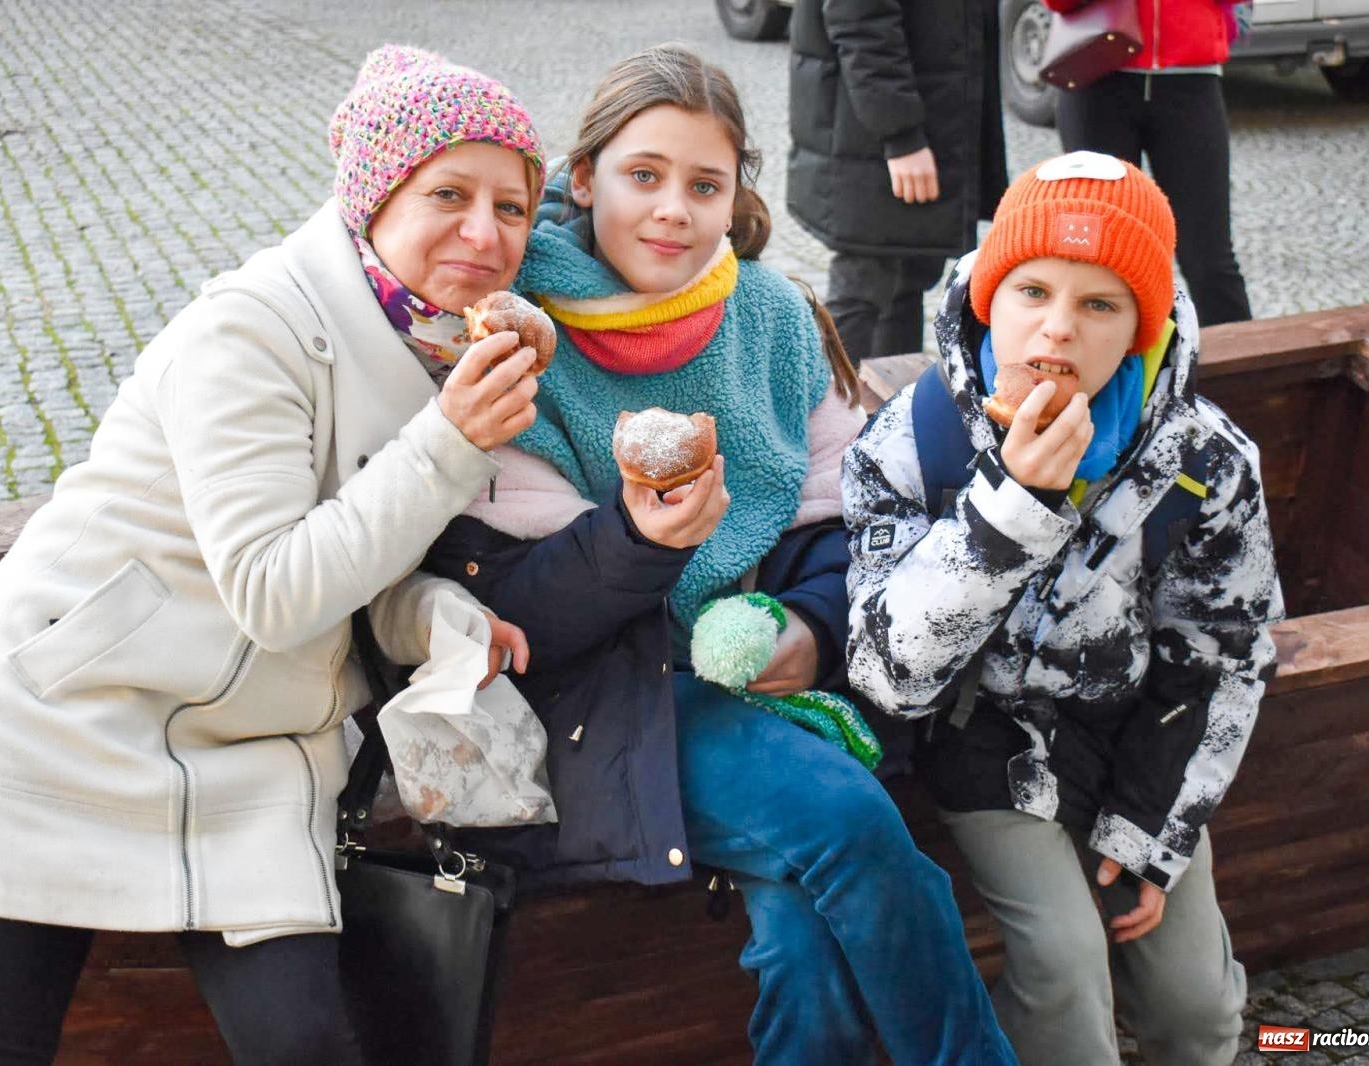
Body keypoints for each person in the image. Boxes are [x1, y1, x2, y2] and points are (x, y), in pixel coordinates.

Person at [0, 44, 545, 1064]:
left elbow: (354, 551)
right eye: (449, 193)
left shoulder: (440, 346)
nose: (484, 230)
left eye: (512, 207)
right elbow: (276, 591)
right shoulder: (250, 329)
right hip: (72, 714)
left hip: (254, 754)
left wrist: (431, 618)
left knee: (305, 1046)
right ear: (373, 198)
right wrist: (450, 446)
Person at [421, 43, 1017, 1066]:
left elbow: (849, 520)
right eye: (641, 176)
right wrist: (641, 541)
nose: (673, 211)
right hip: (605, 695)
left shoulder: (774, 318)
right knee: (854, 829)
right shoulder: (518, 338)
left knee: (802, 950)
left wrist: (812, 625)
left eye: (704, 184)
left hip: (759, 682)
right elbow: (521, 613)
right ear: (582, 179)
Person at [843, 151, 1283, 1065]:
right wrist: (1011, 509)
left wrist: (1150, 831)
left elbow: (1223, 650)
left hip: (1140, 737)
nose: (1055, 330)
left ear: (1139, 329)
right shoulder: (910, 443)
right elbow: (891, 677)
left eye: (1098, 305)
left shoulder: (1201, 461)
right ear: (984, 300)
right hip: (984, 742)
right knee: (1065, 967)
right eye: (1032, 291)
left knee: (1197, 1011)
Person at [787, 0, 1008, 362]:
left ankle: (890, 410)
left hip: (928, 118)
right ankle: (827, 408)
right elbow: (861, 22)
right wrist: (900, 135)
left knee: (908, 272)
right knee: (868, 278)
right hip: (876, 134)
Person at [1047, 0, 1254, 328]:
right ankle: (1099, 372)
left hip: (1191, 82)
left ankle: (1245, 376)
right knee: (1097, 252)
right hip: (1097, 70)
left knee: (1209, 261)